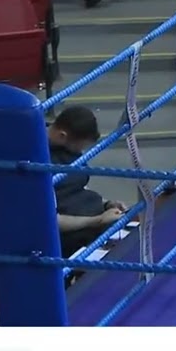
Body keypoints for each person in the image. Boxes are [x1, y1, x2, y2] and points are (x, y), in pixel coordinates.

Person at [48, 106, 129, 256]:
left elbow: (78, 188)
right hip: (71, 236)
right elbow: (48, 221)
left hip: (90, 219)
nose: (80, 151)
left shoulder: (65, 149)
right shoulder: (37, 162)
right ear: (62, 136)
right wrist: (98, 220)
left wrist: (106, 203)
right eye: (79, 146)